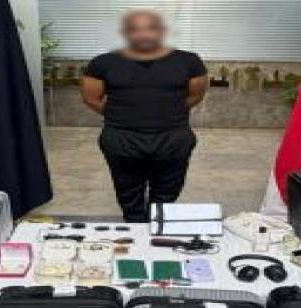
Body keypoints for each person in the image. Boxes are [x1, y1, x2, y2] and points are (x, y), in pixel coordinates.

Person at [81, 9, 208, 222]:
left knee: (166, 196)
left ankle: (157, 230)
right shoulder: (102, 63)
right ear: (125, 32)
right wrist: (123, 114)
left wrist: (166, 112)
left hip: (173, 138)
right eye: (135, 29)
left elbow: (196, 95)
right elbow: (90, 98)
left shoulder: (189, 61)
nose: (144, 34)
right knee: (128, 196)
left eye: (151, 28)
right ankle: (135, 227)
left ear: (162, 31)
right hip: (121, 139)